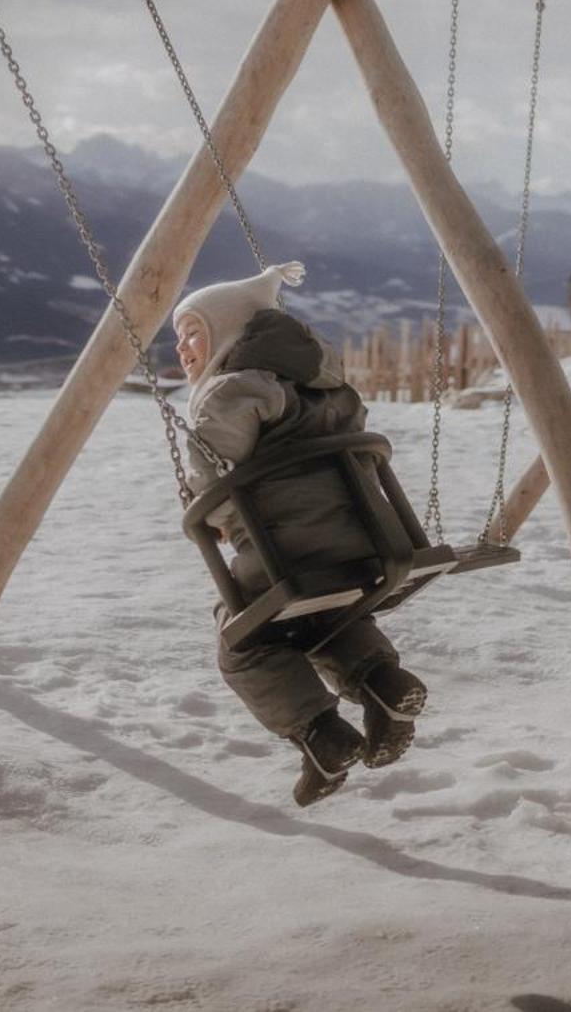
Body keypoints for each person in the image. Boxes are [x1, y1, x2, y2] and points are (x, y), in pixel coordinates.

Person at [172, 261, 427, 806]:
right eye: (178, 337)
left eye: (193, 331)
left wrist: (206, 514)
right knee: (325, 618)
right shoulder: (331, 388)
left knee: (243, 637)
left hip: (289, 551)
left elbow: (214, 480)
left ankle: (321, 736)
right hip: (373, 544)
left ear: (229, 331)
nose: (182, 347)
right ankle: (384, 686)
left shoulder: (230, 393)